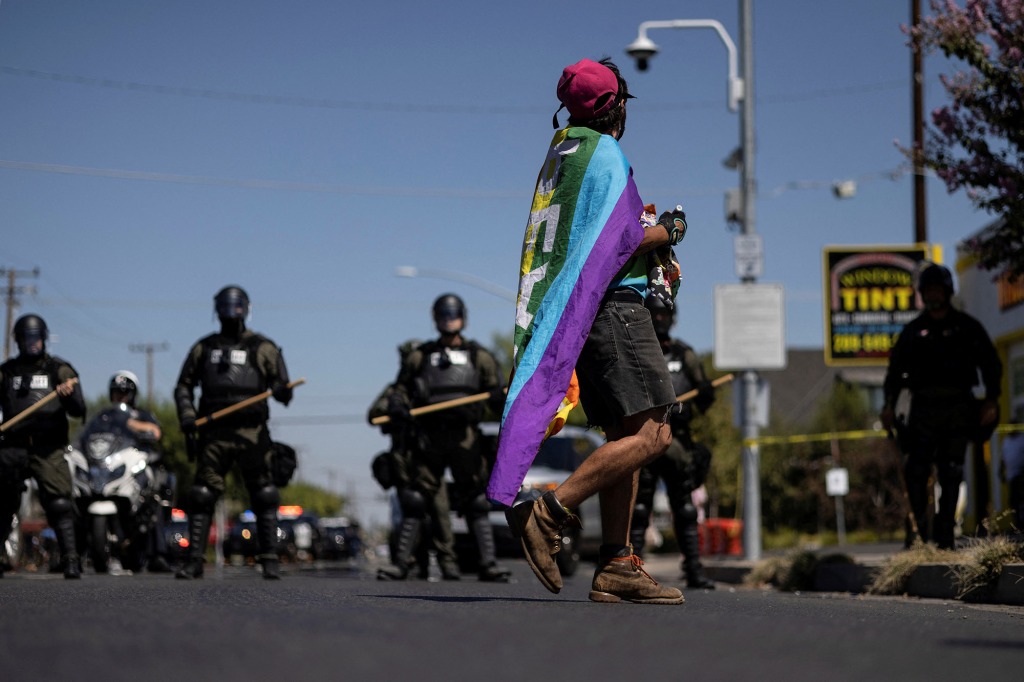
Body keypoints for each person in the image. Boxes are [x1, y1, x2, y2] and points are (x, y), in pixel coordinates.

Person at [495, 58, 688, 604]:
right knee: (654, 434)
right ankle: (549, 511)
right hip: (615, 312)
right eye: (622, 102)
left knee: (623, 435)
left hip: (587, 314)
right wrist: (668, 230)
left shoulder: (562, 156)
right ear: (613, 107)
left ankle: (617, 563)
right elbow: (621, 242)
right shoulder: (604, 154)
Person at [380, 294, 511, 582]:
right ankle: (401, 563)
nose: (449, 320)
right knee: (415, 499)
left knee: (476, 500)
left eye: (453, 315)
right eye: (443, 315)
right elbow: (399, 389)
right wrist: (398, 405)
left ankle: (488, 563)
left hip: (465, 438)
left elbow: (501, 395)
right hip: (430, 437)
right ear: (435, 319)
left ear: (463, 317)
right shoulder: (420, 356)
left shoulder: (480, 356)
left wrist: (495, 396)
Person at [173, 285, 294, 580]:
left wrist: (280, 389)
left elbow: (285, 392)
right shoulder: (204, 348)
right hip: (214, 433)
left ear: (246, 309)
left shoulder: (263, 347)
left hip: (251, 433)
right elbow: (183, 386)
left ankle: (270, 559)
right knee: (202, 494)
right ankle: (195, 561)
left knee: (264, 494)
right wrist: (188, 415)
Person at [880, 263, 1002, 550]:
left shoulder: (967, 328)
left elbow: (991, 365)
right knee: (917, 471)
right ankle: (920, 537)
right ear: (922, 294)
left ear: (947, 292)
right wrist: (888, 407)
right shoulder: (913, 332)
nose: (933, 295)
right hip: (922, 411)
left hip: (958, 408)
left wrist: (992, 400)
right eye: (928, 290)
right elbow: (894, 373)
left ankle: (946, 537)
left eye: (938, 289)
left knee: (951, 472)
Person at [630, 297, 716, 589]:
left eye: (664, 313)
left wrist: (705, 391)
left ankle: (693, 569)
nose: (659, 319)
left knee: (685, 508)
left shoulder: (685, 354)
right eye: (654, 313)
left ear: (673, 317)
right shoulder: (637, 351)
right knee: (640, 507)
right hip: (645, 439)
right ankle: (633, 569)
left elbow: (705, 398)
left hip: (677, 440)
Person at [0, 314, 86, 578]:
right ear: (18, 341)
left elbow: (79, 409)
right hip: (12, 446)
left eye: (36, 338)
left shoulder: (59, 370)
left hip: (48, 447)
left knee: (59, 502)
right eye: (27, 338)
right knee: (3, 502)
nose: (32, 343)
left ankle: (71, 558)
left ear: (44, 339)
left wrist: (68, 397)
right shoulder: (7, 372)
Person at [369, 340, 461, 581]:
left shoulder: (434, 388)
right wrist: (394, 412)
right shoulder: (395, 391)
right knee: (412, 509)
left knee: (440, 512)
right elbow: (374, 414)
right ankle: (409, 561)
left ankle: (447, 561)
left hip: (431, 459)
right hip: (405, 461)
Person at [105, 370, 174, 573]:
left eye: (124, 393)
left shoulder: (140, 415)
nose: (120, 397)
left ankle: (159, 553)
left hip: (137, 467)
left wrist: (127, 422)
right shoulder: (105, 417)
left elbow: (155, 432)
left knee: (153, 498)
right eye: (116, 393)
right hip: (111, 468)